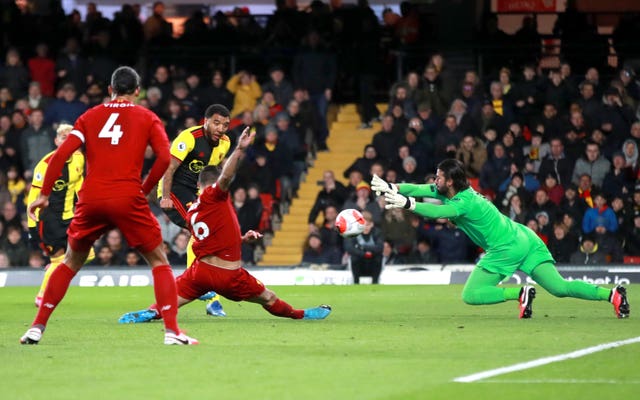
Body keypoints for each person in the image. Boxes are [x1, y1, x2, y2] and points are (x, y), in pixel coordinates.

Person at [22, 66, 198, 345]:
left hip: (91, 198)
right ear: (137, 91)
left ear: (110, 90)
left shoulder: (89, 116)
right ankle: (172, 331)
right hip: (128, 196)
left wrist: (43, 194)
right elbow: (164, 158)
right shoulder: (147, 117)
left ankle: (36, 327)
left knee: (69, 262)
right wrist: (144, 188)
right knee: (158, 261)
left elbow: (61, 154)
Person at [118, 128, 331, 323]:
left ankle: (150, 312)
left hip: (200, 273)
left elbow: (212, 238)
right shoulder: (214, 196)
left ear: (197, 184)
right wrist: (238, 150)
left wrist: (240, 240)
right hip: (228, 276)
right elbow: (227, 176)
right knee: (268, 298)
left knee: (170, 302)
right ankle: (301, 314)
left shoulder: (191, 210)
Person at [372, 158, 630, 319]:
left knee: (470, 295)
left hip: (505, 247)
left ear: (449, 181)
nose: (434, 179)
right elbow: (418, 188)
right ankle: (612, 296)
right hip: (524, 237)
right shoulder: (456, 190)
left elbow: (439, 212)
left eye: (438, 176)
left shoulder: (463, 202)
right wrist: (392, 187)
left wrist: (408, 205)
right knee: (559, 288)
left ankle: (519, 294)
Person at [157, 103, 234, 317]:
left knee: (210, 234)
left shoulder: (225, 143)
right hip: (172, 191)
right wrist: (164, 197)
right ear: (206, 121)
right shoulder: (189, 138)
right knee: (200, 229)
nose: (221, 128)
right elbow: (169, 168)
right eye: (216, 123)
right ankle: (198, 284)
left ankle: (212, 300)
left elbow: (212, 171)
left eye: (225, 125)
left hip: (194, 191)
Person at [27, 123, 96, 307]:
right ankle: (42, 295)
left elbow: (79, 181)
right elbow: (34, 197)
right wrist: (32, 226)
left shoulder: (79, 158)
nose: (67, 141)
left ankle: (54, 269)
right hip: (50, 219)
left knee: (88, 254)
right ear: (56, 141)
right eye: (63, 138)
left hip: (71, 216)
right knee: (59, 259)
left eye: (71, 137)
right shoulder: (45, 165)